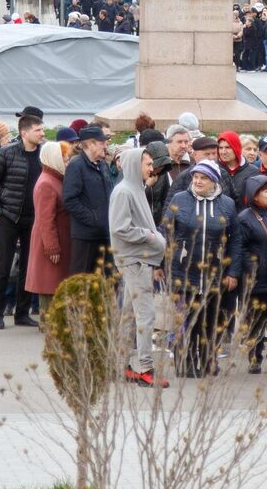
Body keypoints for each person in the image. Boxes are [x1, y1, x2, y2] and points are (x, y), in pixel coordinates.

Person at [164, 159, 237, 376]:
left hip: (214, 274)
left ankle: (208, 362)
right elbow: (165, 232)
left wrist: (233, 271)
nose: (197, 180)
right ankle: (184, 364)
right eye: (195, 176)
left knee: (209, 322)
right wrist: (161, 264)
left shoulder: (227, 204)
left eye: (203, 178)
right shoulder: (180, 199)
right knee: (185, 321)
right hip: (183, 272)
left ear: (213, 181)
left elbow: (236, 240)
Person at [108, 144, 168, 386]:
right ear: (135, 165)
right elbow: (120, 228)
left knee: (130, 315)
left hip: (138, 259)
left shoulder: (135, 188)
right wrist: (151, 236)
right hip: (135, 260)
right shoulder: (124, 192)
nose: (152, 169)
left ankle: (120, 364)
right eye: (148, 164)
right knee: (146, 316)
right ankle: (145, 367)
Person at [0, 115, 46, 328]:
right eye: (38, 130)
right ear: (25, 132)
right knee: (3, 265)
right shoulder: (7, 153)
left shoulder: (43, 154)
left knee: (29, 267)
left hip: (34, 219)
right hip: (9, 217)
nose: (42, 134)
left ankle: (22, 312)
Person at [229, 173, 267, 376]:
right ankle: (255, 358)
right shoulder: (245, 218)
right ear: (254, 195)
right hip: (258, 280)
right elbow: (240, 247)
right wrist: (253, 267)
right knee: (256, 322)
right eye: (266, 191)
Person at [25, 141, 73, 316]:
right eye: (65, 159)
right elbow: (46, 220)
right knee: (49, 283)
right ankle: (48, 322)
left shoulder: (54, 179)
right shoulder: (47, 183)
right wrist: (52, 247)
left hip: (56, 239)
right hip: (51, 242)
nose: (67, 163)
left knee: (53, 282)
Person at [61, 125, 114, 276]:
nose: (105, 144)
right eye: (101, 142)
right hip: (85, 237)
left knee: (107, 281)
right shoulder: (76, 165)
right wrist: (93, 219)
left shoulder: (103, 164)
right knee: (82, 281)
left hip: (105, 233)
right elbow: (69, 199)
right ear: (90, 144)